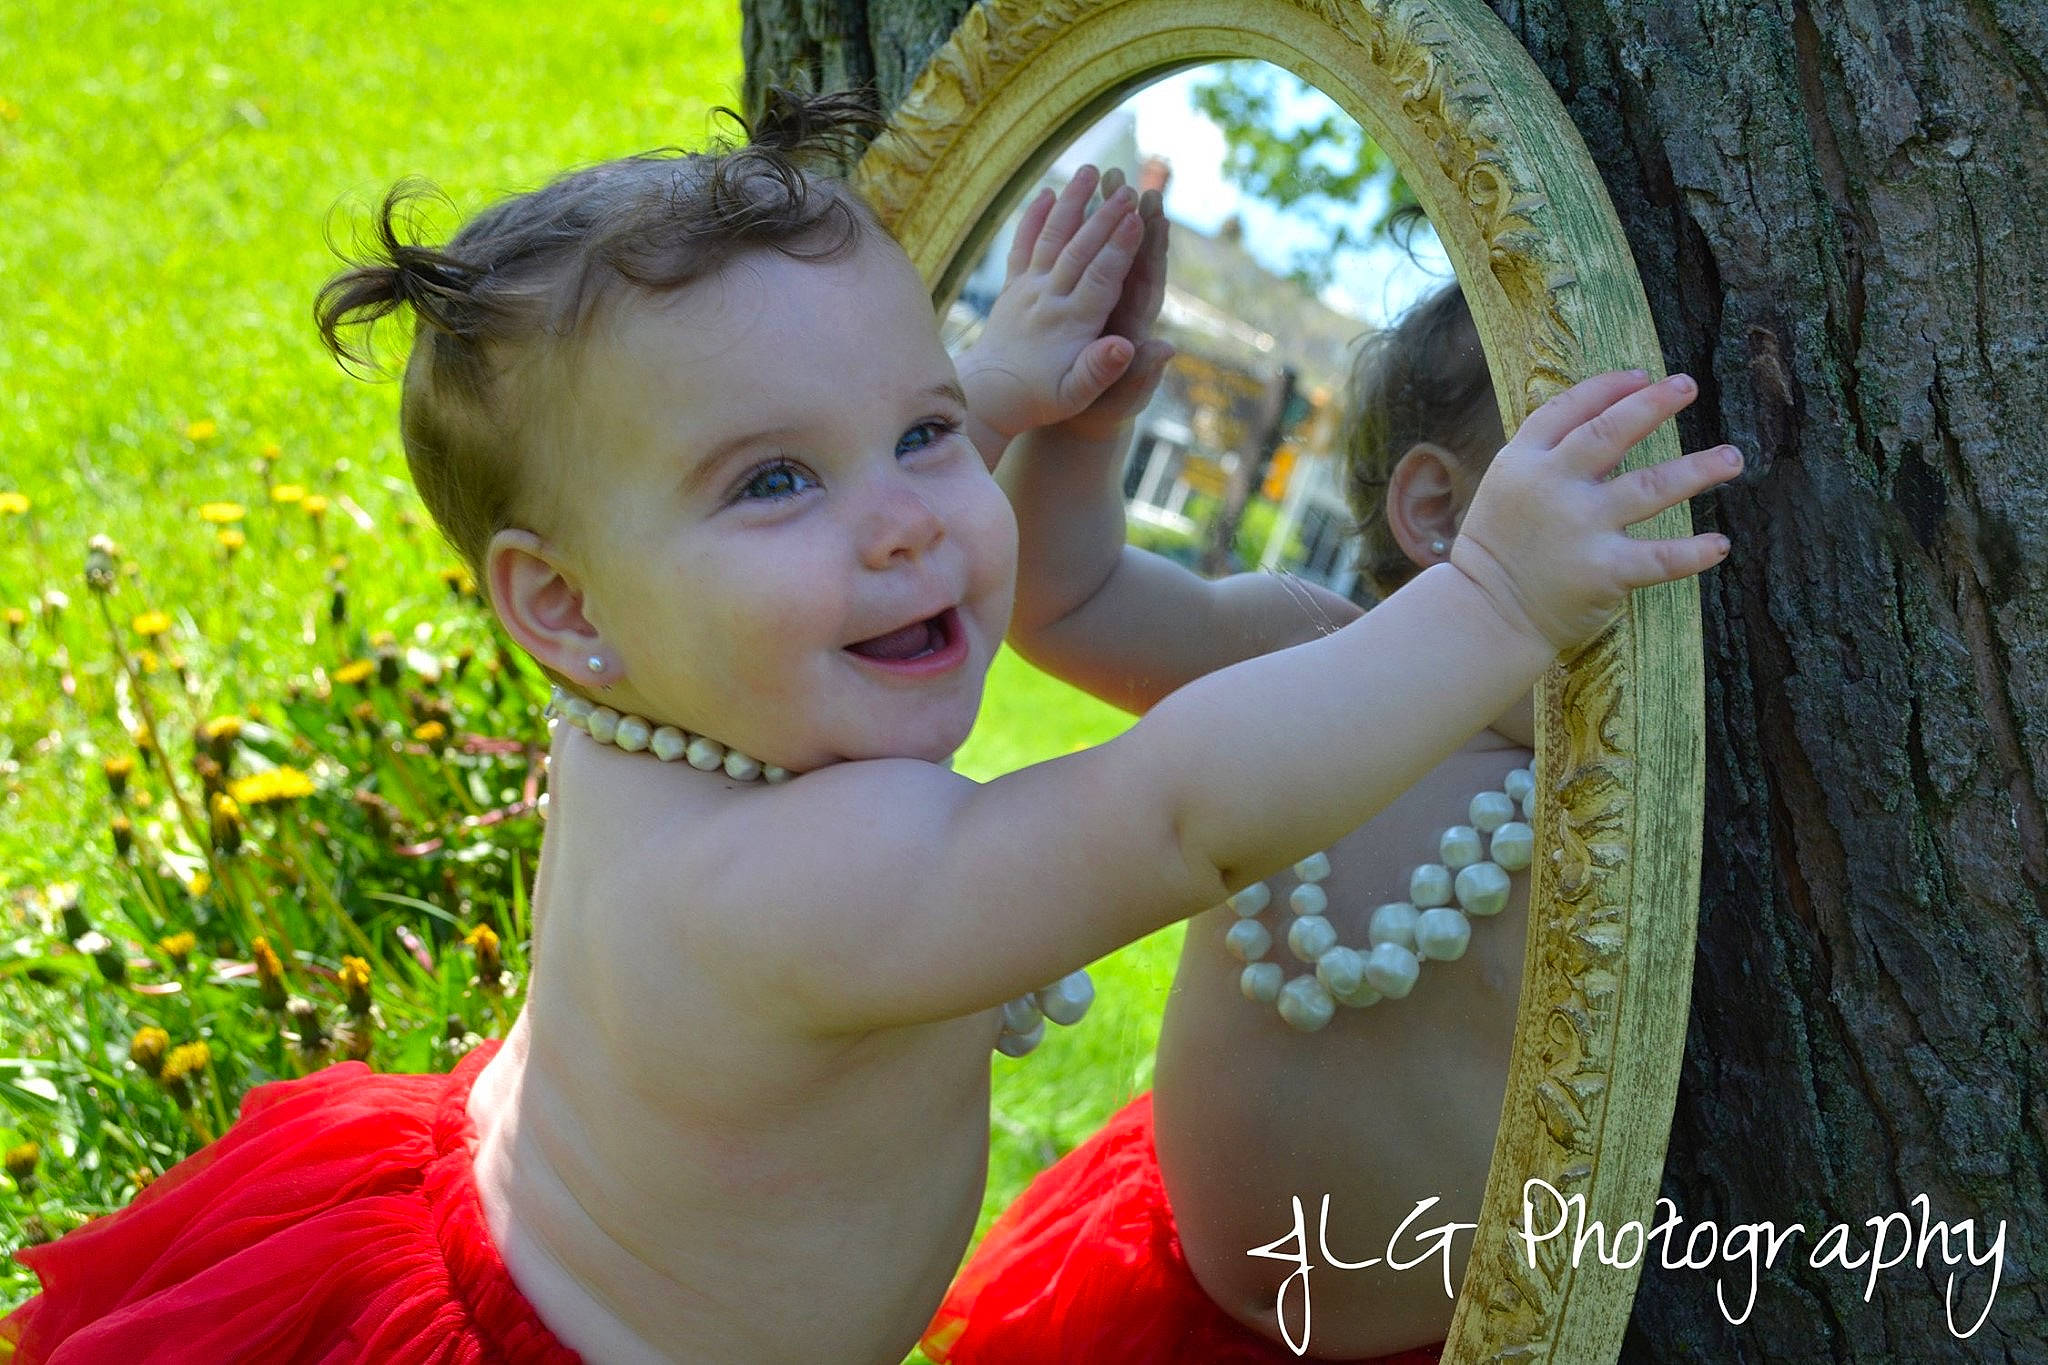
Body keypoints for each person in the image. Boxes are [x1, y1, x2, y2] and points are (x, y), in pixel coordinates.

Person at [1, 93, 1737, 1364]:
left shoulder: (649, 694)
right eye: (773, 480)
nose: (912, 515)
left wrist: (995, 384)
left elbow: (831, 465)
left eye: (919, 433)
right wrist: (1497, 607)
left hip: (485, 1208)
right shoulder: (811, 878)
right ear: (567, 608)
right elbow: (1169, 819)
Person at [923, 187, 1715, 1363]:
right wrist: (1085, 433)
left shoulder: (1605, 802)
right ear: (1439, 509)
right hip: (1154, 1286)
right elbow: (1068, 602)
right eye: (1604, 497)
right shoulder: (1303, 654)